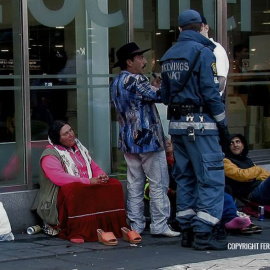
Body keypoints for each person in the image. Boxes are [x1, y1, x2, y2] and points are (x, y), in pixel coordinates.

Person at [160, 9, 229, 250]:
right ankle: (204, 233)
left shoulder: (168, 55)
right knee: (211, 179)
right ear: (201, 27)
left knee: (185, 178)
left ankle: (187, 230)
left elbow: (166, 95)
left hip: (177, 127)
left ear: (179, 29)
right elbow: (211, 92)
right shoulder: (204, 52)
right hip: (202, 125)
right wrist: (222, 124)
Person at [110, 42, 180, 237]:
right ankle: (159, 224)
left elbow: (143, 97)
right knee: (158, 182)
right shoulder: (136, 80)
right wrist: (162, 84)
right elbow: (162, 96)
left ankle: (135, 224)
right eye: (139, 57)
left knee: (134, 183)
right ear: (129, 61)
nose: (143, 60)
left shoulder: (116, 81)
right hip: (147, 138)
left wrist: (152, 87)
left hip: (128, 139)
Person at [33, 120, 129, 244]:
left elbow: (93, 166)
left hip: (85, 187)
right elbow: (59, 178)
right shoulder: (49, 155)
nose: (71, 134)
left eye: (71, 130)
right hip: (59, 197)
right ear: (58, 139)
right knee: (75, 189)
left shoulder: (79, 149)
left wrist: (101, 176)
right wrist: (88, 181)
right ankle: (77, 231)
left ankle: (113, 227)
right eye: (65, 134)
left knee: (114, 185)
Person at [224, 133, 270, 205]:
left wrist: (253, 175)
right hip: (252, 193)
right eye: (231, 143)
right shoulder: (226, 161)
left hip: (260, 187)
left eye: (237, 142)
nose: (235, 145)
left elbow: (265, 175)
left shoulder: (246, 160)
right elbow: (243, 175)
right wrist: (257, 170)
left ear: (243, 145)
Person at [200, 15, 229, 101]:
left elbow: (220, 82)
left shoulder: (216, 49)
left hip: (211, 104)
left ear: (206, 28)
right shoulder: (194, 49)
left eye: (199, 29)